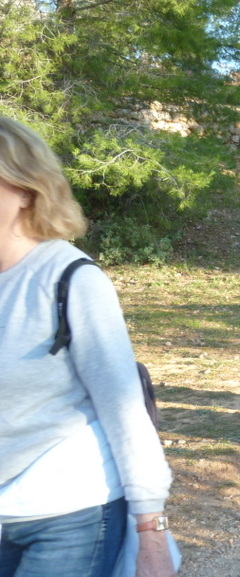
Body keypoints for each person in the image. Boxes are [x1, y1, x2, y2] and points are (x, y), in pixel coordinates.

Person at [0, 117, 176, 576]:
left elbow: (123, 407)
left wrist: (151, 533)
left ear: (25, 190)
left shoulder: (69, 278)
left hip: (70, 510)